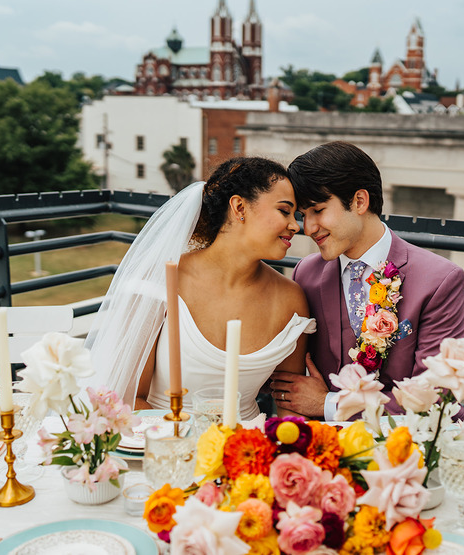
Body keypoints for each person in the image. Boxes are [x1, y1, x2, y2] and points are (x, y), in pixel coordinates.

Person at [84, 157, 314, 420]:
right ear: (239, 207)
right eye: (284, 211)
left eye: (296, 216)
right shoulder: (161, 280)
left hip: (248, 450)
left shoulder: (291, 299)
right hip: (165, 439)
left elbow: (289, 409)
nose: (296, 226)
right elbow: (128, 398)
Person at [271, 141, 464, 421]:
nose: (308, 228)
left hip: (415, 445)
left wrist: (331, 405)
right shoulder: (306, 273)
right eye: (303, 216)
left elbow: (434, 395)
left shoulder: (439, 280)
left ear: (360, 201)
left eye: (317, 210)